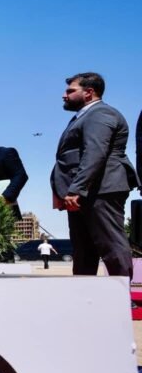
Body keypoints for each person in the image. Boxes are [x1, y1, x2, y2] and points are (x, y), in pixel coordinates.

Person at [51, 72, 138, 278]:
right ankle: (85, 293)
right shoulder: (82, 117)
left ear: (89, 92)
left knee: (111, 245)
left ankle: (121, 292)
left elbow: (95, 152)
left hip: (100, 189)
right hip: (83, 193)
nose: (64, 95)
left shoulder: (100, 114)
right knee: (83, 251)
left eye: (70, 91)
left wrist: (77, 189)